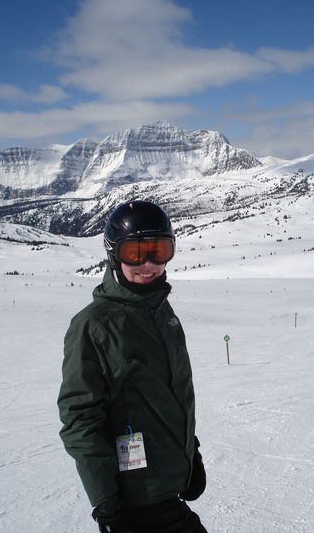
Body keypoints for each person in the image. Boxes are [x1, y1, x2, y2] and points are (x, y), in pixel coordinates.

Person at [57, 200, 208, 533]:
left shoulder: (162, 313)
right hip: (136, 500)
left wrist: (190, 452)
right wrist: (107, 505)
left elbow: (172, 395)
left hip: (166, 488)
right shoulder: (94, 326)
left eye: (159, 250)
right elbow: (81, 420)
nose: (149, 263)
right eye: (135, 253)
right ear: (114, 255)